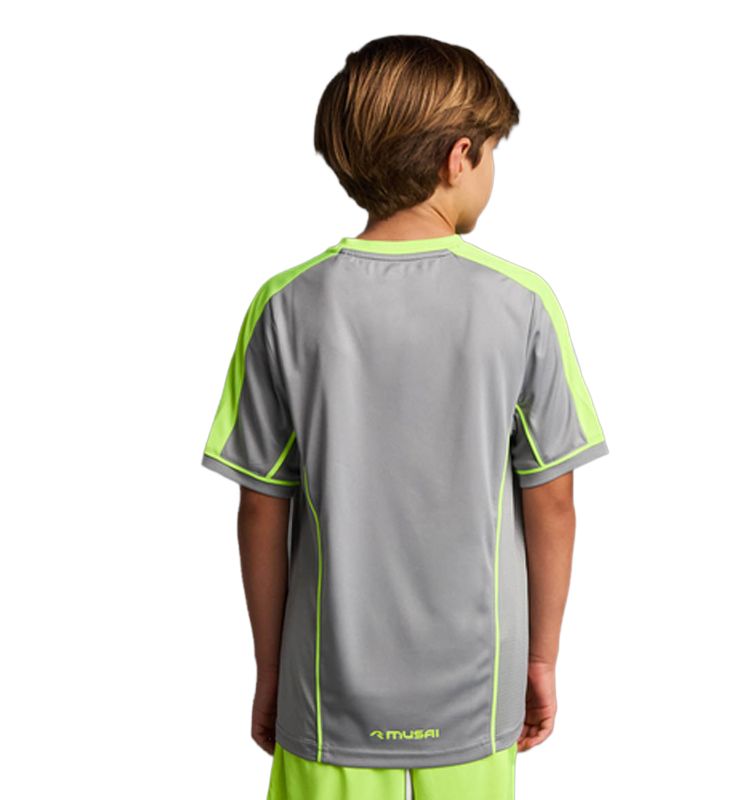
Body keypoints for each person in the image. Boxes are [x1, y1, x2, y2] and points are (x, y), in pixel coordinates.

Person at [201, 33, 609, 800]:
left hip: (326, 695)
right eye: (492, 153)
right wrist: (541, 659)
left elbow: (261, 506)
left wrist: (271, 670)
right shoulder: (521, 303)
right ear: (460, 157)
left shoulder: (285, 305)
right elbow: (552, 499)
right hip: (476, 689)